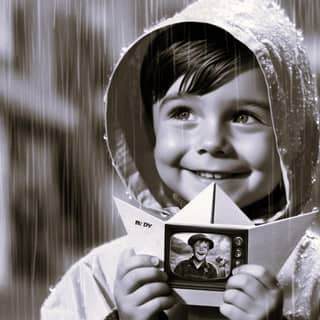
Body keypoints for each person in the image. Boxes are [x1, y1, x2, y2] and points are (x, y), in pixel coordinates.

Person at [41, 0, 320, 319]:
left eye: (243, 116)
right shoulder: (98, 279)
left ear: (293, 135)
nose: (213, 143)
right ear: (149, 133)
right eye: (183, 113)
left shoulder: (313, 281)